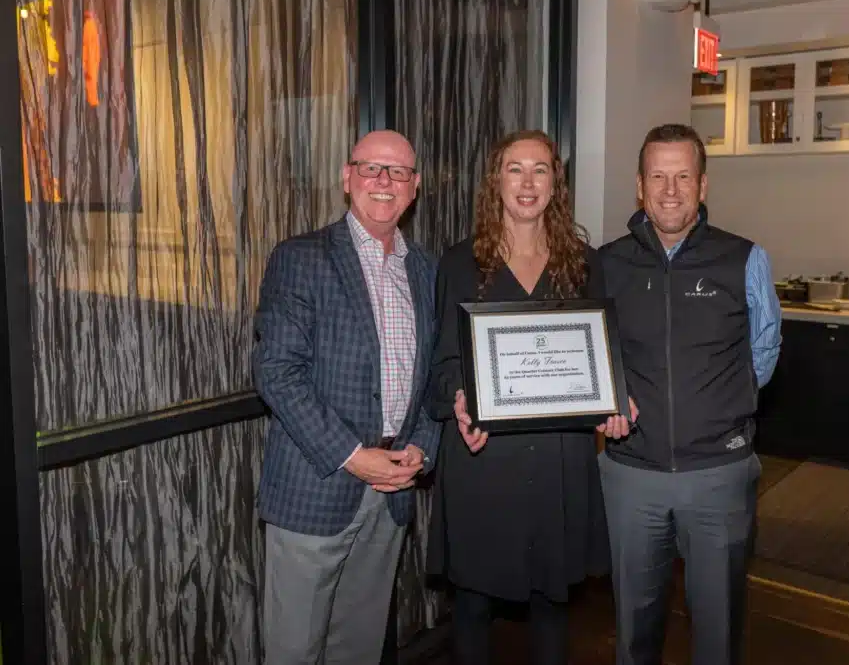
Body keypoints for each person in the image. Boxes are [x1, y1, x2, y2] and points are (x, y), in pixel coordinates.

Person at [426, 129, 635, 665]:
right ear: (495, 180)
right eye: (514, 168)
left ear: (555, 184)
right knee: (472, 607)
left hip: (559, 461)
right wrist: (459, 400)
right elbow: (445, 362)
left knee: (551, 606)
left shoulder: (584, 264)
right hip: (482, 458)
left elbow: (602, 356)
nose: (526, 181)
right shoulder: (457, 263)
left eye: (539, 169)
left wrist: (615, 397)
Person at [252, 129, 442, 665]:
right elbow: (276, 372)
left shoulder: (425, 270)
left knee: (357, 649)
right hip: (317, 487)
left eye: (398, 171)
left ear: (415, 187)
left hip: (391, 494)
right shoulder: (300, 257)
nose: (384, 181)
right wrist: (355, 458)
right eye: (371, 168)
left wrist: (422, 448)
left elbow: (432, 377)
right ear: (346, 176)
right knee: (295, 650)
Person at [598, 123, 782, 665]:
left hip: (718, 478)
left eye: (683, 176)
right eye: (659, 176)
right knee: (633, 628)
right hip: (632, 475)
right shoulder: (606, 265)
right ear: (640, 185)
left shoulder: (743, 258)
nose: (670, 190)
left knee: (718, 628)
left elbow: (764, 351)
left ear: (703, 186)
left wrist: (720, 407)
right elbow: (594, 355)